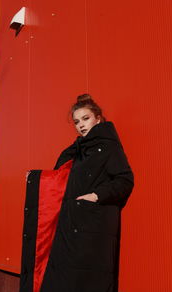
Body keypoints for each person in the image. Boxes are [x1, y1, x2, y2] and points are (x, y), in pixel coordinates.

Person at [19, 94, 134, 292]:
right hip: (69, 227)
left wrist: (96, 196)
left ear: (98, 118)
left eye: (86, 118)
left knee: (86, 282)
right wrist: (37, 178)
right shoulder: (76, 150)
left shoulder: (108, 147)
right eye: (76, 121)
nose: (81, 125)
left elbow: (125, 180)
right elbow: (61, 179)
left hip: (92, 226)